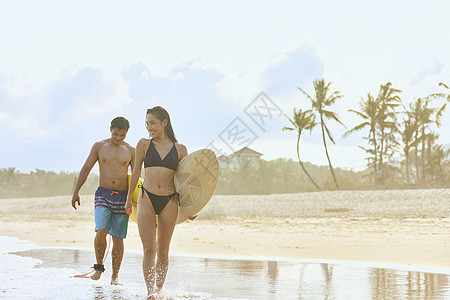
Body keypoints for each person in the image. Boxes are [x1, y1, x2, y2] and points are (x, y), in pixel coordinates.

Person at [126, 106, 188, 299]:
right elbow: (136, 172)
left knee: (163, 249)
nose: (149, 127)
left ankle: (159, 289)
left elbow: (186, 181)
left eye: (152, 123)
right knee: (149, 247)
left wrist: (189, 207)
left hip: (170, 200)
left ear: (165, 123)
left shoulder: (180, 149)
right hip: (147, 198)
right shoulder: (143, 144)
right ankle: (150, 291)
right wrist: (129, 199)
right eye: (146, 123)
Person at [71, 117, 135, 285]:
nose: (119, 138)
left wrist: (134, 200)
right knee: (101, 230)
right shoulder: (99, 146)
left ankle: (115, 276)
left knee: (118, 238)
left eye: (122, 135)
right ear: (110, 129)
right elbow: (86, 168)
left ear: (126, 133)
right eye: (116, 134)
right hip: (103, 195)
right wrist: (76, 191)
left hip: (122, 196)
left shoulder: (131, 150)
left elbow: (136, 177)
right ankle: (98, 268)